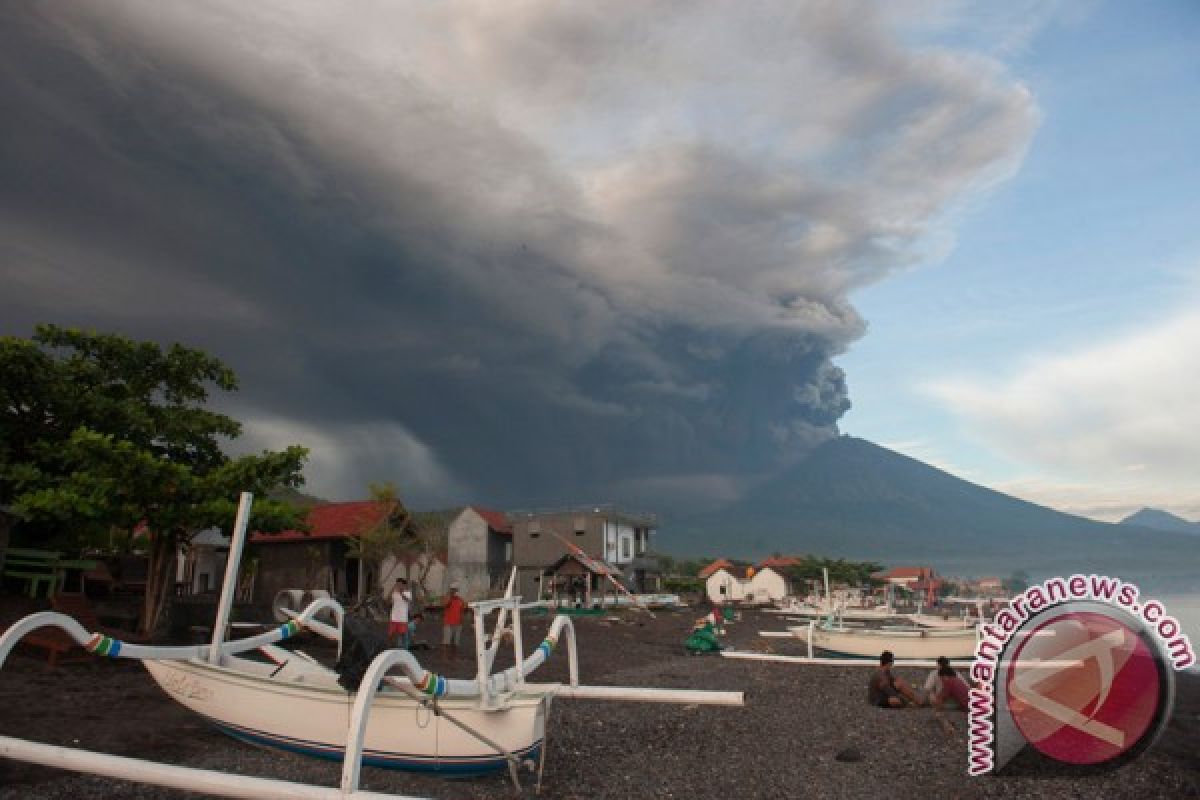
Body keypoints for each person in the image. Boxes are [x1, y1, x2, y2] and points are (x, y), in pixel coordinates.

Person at [441, 583, 467, 657]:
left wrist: (461, 621)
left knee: (456, 643)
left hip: (458, 623)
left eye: (455, 589)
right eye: (453, 589)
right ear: (450, 590)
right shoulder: (447, 598)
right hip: (448, 623)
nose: (454, 591)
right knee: (446, 642)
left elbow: (463, 609)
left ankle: (453, 656)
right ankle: (445, 657)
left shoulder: (460, 599)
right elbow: (445, 604)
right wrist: (450, 596)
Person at [389, 578, 412, 649]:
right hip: (394, 617)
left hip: (402, 618)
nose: (398, 585)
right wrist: (392, 593)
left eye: (399, 584)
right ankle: (390, 647)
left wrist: (401, 592)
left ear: (403, 585)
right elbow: (391, 603)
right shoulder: (394, 593)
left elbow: (407, 600)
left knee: (402, 634)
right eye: (397, 584)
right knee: (391, 633)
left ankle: (403, 648)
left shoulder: (407, 593)